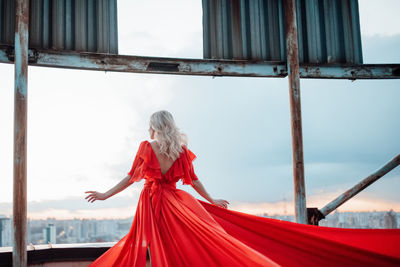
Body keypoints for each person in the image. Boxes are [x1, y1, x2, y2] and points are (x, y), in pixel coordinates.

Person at [85, 111, 400, 267]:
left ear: (153, 126)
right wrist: (211, 199)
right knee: (186, 240)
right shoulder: (180, 150)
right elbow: (193, 181)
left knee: (146, 243)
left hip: (153, 201)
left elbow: (131, 178)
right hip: (177, 201)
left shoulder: (146, 146)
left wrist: (104, 194)